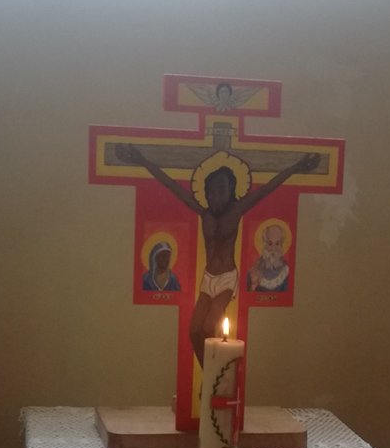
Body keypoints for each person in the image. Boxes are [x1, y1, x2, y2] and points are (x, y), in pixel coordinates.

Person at [115, 143, 319, 362]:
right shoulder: (205, 215)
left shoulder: (236, 212)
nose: (215, 197)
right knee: (194, 331)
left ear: (231, 189)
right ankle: (211, 374)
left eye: (221, 190)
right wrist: (142, 161)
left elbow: (268, 188)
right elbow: (171, 186)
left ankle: (217, 375)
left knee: (210, 326)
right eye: (210, 192)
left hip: (226, 279)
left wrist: (296, 168)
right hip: (208, 278)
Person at [247, 222, 290, 292]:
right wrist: (253, 286)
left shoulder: (286, 272)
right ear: (265, 244)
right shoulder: (254, 269)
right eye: (270, 243)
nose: (273, 248)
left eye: (277, 243)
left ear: (281, 245)